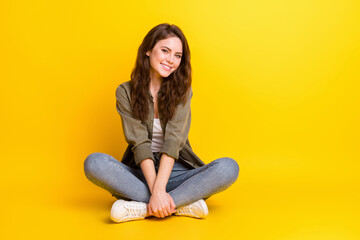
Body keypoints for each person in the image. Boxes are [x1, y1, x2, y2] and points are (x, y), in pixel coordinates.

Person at [84, 23, 239, 223]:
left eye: (177, 55)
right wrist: (156, 189)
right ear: (148, 50)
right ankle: (181, 204)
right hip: (141, 171)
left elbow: (174, 142)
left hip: (176, 171)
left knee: (228, 168)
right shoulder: (125, 92)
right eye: (165, 51)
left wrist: (159, 189)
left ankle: (143, 209)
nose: (171, 60)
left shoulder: (183, 91)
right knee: (94, 163)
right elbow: (139, 143)